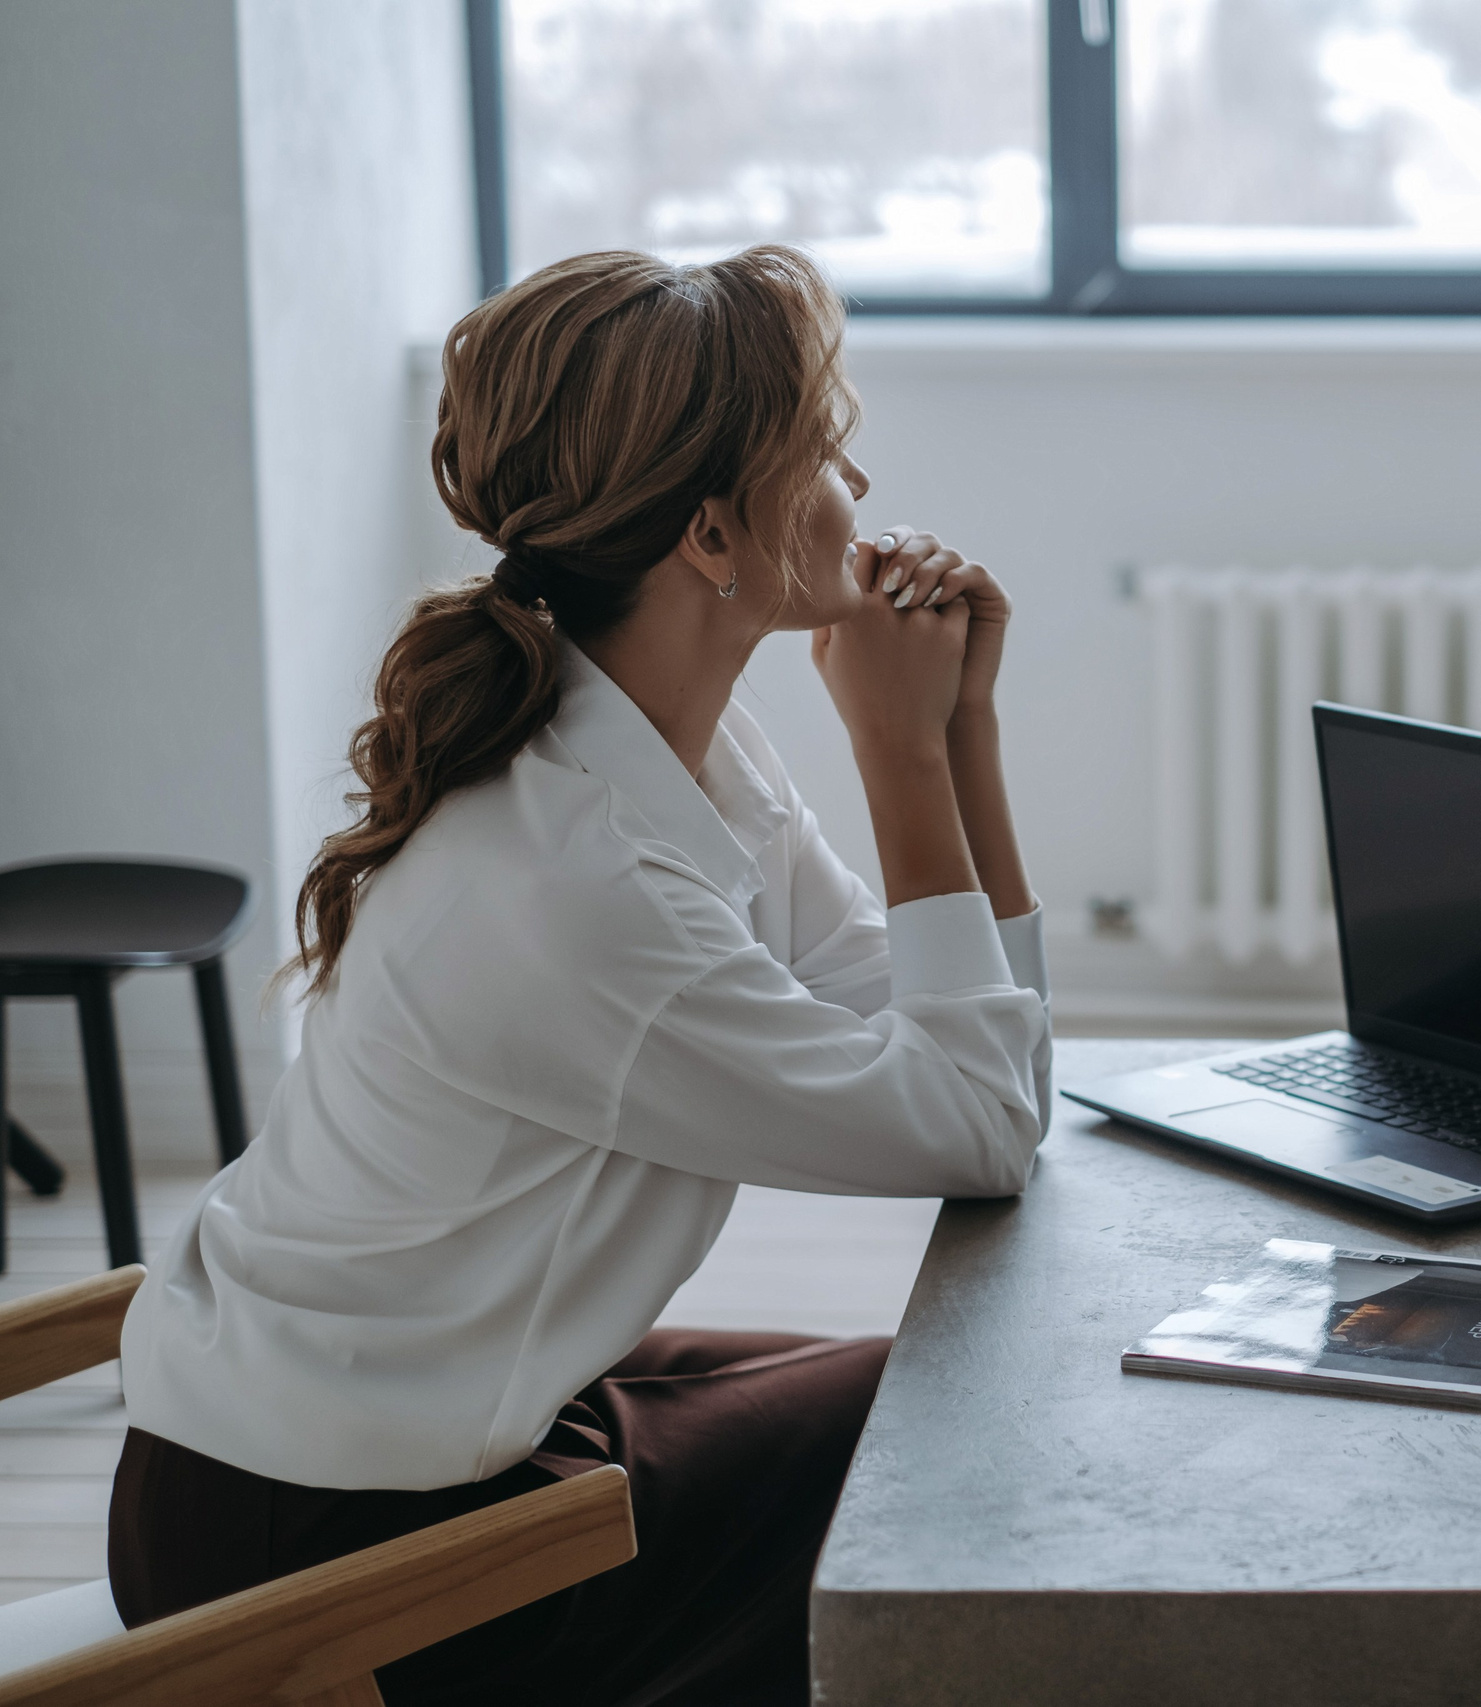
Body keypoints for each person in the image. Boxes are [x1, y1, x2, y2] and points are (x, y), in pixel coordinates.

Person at [107, 245, 1048, 1706]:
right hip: (330, 1555)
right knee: (954, 1432)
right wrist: (901, 748)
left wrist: (965, 734)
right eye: (823, 448)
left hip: (434, 1416)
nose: (859, 478)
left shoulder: (655, 740)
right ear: (712, 541)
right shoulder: (585, 886)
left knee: (942, 1392)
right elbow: (979, 1126)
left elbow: (979, 1070)